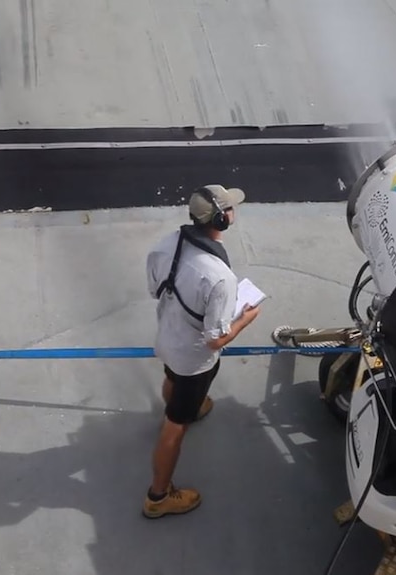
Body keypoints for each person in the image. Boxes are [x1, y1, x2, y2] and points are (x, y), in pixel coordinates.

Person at [142, 184, 260, 519]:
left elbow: (155, 290)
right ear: (222, 219)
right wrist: (246, 319)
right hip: (194, 360)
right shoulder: (220, 278)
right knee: (175, 428)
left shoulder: (167, 245)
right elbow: (215, 340)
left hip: (168, 338)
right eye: (231, 208)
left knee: (171, 377)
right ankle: (158, 497)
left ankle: (179, 408)